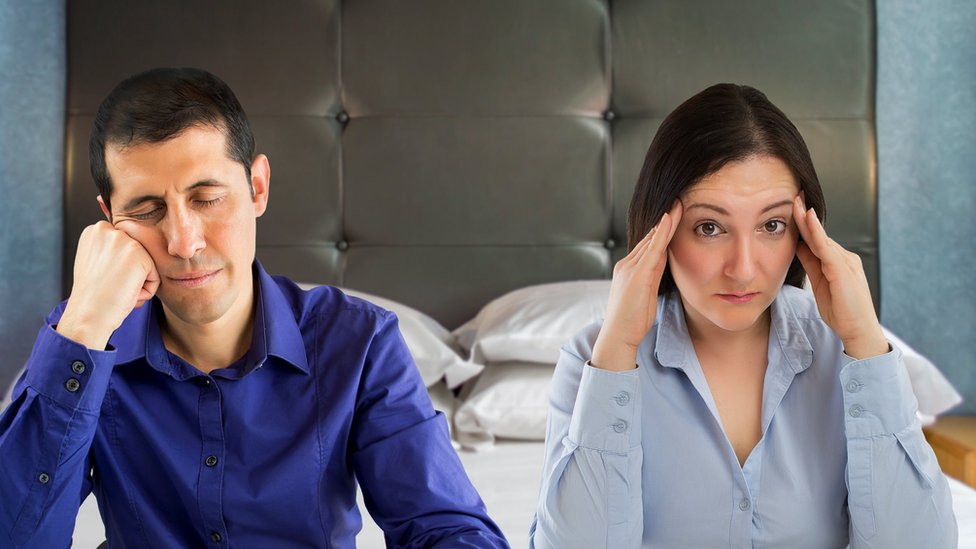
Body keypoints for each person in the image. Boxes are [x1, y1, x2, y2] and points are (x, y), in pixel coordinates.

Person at [0, 67, 508, 548]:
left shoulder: (359, 342)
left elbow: (445, 527)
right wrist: (85, 323)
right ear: (109, 222)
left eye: (207, 198)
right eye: (146, 210)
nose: (182, 241)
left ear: (257, 188)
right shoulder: (80, 342)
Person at [529, 84, 956, 548]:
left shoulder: (848, 355)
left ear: (804, 233)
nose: (744, 268)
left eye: (772, 226)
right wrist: (616, 355)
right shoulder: (593, 360)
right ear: (661, 231)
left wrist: (867, 348)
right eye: (710, 227)